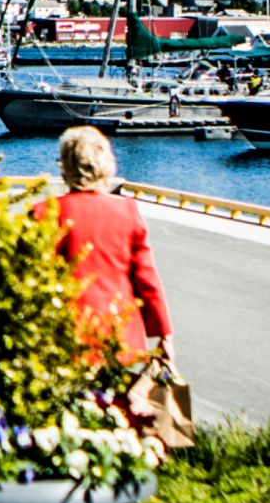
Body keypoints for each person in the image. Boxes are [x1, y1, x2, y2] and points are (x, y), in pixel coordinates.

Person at [40, 126, 172, 362]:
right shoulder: (126, 211)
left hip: (63, 339)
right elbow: (146, 278)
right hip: (120, 337)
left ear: (65, 166)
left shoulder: (43, 212)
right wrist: (164, 333)